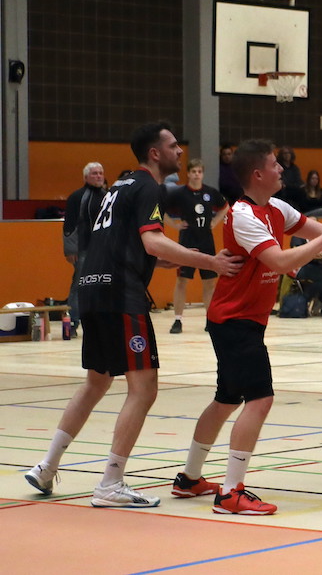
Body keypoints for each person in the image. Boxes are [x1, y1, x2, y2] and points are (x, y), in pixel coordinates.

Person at [171, 139, 322, 515]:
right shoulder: (243, 216)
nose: (282, 169)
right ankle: (231, 492)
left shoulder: (277, 208)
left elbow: (321, 232)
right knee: (260, 399)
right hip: (235, 319)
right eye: (274, 164)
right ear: (257, 174)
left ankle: (189, 479)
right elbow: (280, 261)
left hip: (242, 319)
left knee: (226, 399)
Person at [25, 121, 243, 507]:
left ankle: (46, 466)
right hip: (120, 294)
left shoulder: (118, 186)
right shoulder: (149, 187)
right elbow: (153, 240)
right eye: (173, 146)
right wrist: (209, 260)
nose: (180, 151)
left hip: (91, 287)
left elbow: (128, 242)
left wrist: (166, 259)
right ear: (155, 153)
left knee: (96, 382)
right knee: (144, 388)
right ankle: (110, 483)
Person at [164, 158, 230, 334]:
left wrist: (215, 221)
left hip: (206, 241)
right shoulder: (179, 193)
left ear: (203, 174)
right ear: (188, 173)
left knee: (209, 282)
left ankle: (210, 319)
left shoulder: (210, 192)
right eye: (193, 171)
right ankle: (178, 320)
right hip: (187, 241)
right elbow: (160, 209)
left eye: (199, 171)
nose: (196, 174)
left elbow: (225, 207)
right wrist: (174, 225)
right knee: (181, 280)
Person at [63, 161, 106, 335]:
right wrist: (70, 249)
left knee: (102, 285)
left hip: (103, 250)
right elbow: (69, 225)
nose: (98, 176)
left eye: (100, 173)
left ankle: (99, 323)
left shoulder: (108, 196)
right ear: (86, 177)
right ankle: (72, 323)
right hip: (83, 249)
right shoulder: (77, 197)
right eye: (94, 173)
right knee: (80, 285)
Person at [275, 145, 305, 211]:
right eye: (285, 153)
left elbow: (299, 182)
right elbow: (282, 182)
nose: (287, 155)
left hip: (294, 191)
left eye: (288, 153)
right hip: (283, 193)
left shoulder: (295, 168)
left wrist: (290, 185)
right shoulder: (279, 168)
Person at [217, 142, 242, 206]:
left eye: (229, 154)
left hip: (239, 198)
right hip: (225, 199)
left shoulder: (238, 167)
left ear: (232, 155)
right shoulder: (218, 168)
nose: (227, 156)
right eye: (224, 154)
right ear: (221, 156)